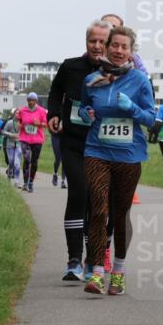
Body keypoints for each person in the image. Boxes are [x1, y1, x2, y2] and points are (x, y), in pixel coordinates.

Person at [79, 25, 156, 295]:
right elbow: (83, 107)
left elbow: (151, 118)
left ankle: (120, 270)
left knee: (120, 214)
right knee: (99, 209)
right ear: (107, 46)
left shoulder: (140, 81)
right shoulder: (91, 79)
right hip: (97, 150)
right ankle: (98, 272)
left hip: (129, 154)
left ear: (131, 51)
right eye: (115, 45)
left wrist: (132, 108)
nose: (119, 51)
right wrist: (86, 111)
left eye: (125, 47)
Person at [48, 19, 112, 281]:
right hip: (73, 142)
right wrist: (53, 113)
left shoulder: (116, 72)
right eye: (92, 41)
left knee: (96, 202)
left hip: (101, 145)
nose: (97, 46)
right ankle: (74, 259)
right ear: (86, 42)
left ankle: (92, 259)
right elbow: (55, 92)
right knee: (78, 193)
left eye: (102, 42)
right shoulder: (71, 66)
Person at [18, 93, 48, 192]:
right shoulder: (22, 110)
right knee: (26, 159)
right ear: (27, 100)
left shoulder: (42, 111)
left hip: (37, 139)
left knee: (34, 161)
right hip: (24, 138)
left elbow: (46, 124)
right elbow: (18, 121)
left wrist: (39, 124)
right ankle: (25, 183)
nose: (31, 102)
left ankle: (31, 182)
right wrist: (19, 125)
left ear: (36, 101)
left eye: (33, 100)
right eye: (29, 100)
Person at [3, 112, 22, 187]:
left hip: (19, 145)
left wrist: (20, 135)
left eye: (19, 114)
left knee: (17, 164)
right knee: (11, 162)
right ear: (14, 114)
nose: (18, 115)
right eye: (17, 113)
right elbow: (3, 131)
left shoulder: (23, 123)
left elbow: (26, 132)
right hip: (10, 145)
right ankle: (9, 175)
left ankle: (17, 181)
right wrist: (11, 135)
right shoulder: (9, 122)